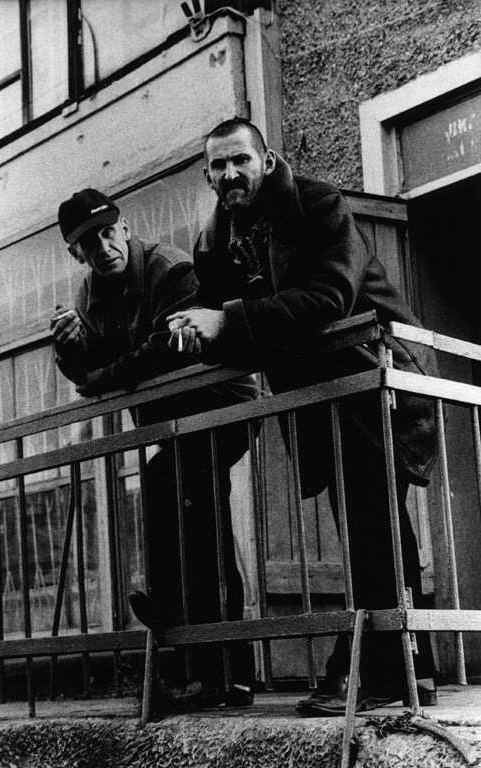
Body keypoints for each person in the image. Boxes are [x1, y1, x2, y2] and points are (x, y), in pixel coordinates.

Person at [167, 117, 438, 714]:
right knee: (375, 529)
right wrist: (194, 331)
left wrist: (227, 320)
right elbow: (221, 323)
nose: (230, 173)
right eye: (218, 165)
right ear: (208, 176)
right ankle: (410, 669)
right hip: (327, 397)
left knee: (374, 527)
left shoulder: (318, 205)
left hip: (376, 377)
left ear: (266, 163)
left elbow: (329, 297)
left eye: (241, 159)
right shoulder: (216, 239)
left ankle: (374, 672)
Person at [51, 188, 256, 708]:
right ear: (76, 253)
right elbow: (90, 370)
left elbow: (165, 350)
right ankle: (208, 667)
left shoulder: (170, 268)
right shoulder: (88, 295)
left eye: (108, 233)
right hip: (173, 425)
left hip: (221, 405)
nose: (103, 247)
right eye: (88, 243)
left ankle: (211, 659)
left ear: (123, 228)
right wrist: (69, 349)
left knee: (180, 500)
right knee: (189, 514)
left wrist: (102, 375)